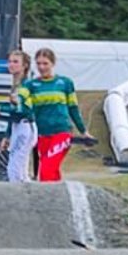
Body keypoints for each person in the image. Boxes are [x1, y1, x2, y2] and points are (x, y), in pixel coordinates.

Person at [29, 48, 90, 182]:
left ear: (53, 63)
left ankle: (47, 199)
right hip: (42, 133)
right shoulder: (31, 85)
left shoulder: (65, 83)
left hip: (61, 131)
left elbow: (73, 108)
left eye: (45, 63)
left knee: (46, 169)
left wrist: (83, 130)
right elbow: (27, 110)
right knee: (52, 170)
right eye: (38, 63)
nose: (41, 67)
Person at [0, 48, 37, 182]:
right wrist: (7, 135)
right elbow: (14, 114)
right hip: (17, 126)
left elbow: (25, 110)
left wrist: (0, 109)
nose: (11, 65)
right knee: (17, 168)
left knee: (15, 168)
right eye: (9, 61)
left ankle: (24, 197)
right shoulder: (15, 85)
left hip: (26, 126)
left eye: (15, 62)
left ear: (24, 66)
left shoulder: (27, 85)